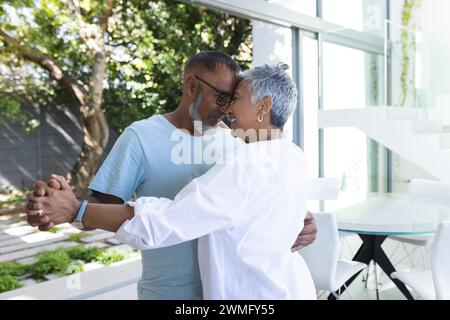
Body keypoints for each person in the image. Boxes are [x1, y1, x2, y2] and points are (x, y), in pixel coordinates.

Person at [26, 52, 317, 299]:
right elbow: (98, 207)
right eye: (221, 97)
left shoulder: (237, 143)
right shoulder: (141, 137)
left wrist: (299, 220)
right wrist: (66, 209)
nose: (227, 109)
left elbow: (257, 204)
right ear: (191, 86)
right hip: (169, 293)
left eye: (233, 99)